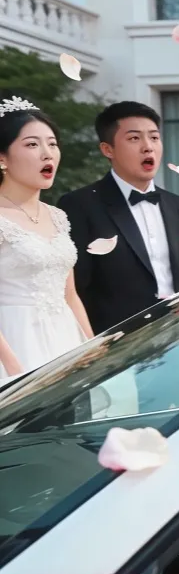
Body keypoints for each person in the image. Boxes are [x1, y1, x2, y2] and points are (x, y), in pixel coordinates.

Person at [60, 101, 179, 334]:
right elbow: (77, 287)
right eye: (134, 138)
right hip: (115, 339)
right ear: (108, 149)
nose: (148, 147)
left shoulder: (177, 205)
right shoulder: (80, 205)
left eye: (154, 138)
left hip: (177, 334)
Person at [0, 97, 92, 378]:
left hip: (64, 339)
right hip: (14, 343)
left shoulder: (57, 216)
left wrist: (92, 345)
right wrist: (12, 367)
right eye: (32, 144)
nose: (47, 154)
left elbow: (70, 294)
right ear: (2, 158)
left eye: (52, 144)